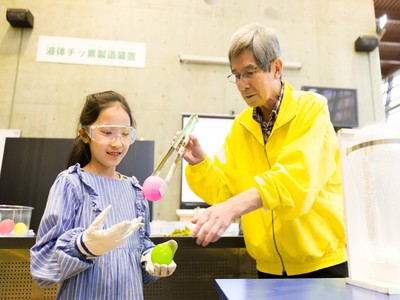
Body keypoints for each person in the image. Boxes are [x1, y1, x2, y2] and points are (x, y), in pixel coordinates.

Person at [183, 23, 348, 278]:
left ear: (276, 68)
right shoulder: (241, 127)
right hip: (268, 269)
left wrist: (231, 209)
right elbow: (224, 189)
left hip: (323, 266)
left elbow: (295, 180)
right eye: (236, 75)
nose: (241, 84)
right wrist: (199, 163)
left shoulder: (311, 110)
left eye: (249, 72)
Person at [30, 91, 177, 299]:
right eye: (107, 132)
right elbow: (42, 263)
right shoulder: (72, 183)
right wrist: (83, 246)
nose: (117, 143)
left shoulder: (135, 191)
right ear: (84, 134)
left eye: (125, 133)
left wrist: (150, 258)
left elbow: (139, 246)